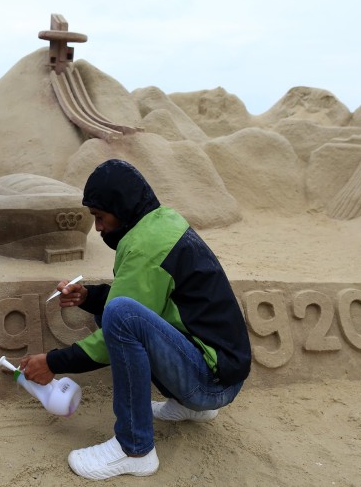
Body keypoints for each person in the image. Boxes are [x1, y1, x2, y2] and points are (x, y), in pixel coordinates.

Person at [20, 159, 251, 480]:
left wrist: (53, 362)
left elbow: (124, 315)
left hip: (211, 385)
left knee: (118, 315)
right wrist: (88, 297)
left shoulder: (146, 246)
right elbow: (147, 299)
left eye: (100, 217)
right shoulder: (160, 222)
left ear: (122, 208)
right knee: (114, 309)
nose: (98, 227)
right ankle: (188, 407)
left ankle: (134, 448)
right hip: (218, 374)